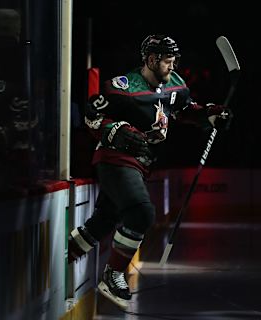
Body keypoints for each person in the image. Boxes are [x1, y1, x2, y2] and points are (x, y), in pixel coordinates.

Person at [67, 34, 232, 309]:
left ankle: (65, 255)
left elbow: (186, 110)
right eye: (168, 60)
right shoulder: (124, 86)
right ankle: (113, 275)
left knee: (104, 221)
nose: (173, 66)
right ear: (152, 60)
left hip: (140, 164)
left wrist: (210, 114)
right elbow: (92, 116)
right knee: (142, 212)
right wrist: (113, 131)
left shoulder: (176, 84)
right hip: (115, 159)